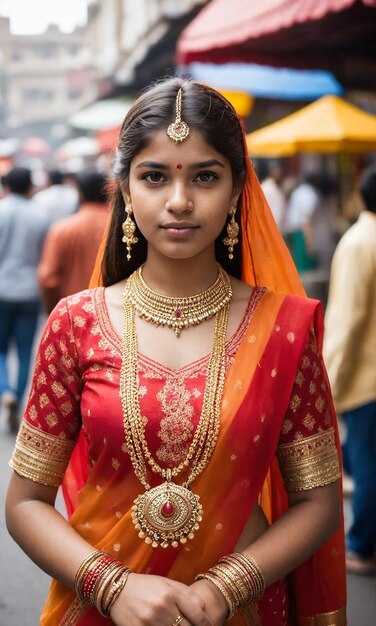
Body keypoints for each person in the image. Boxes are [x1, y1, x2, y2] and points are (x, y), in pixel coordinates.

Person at [5, 78, 346, 626]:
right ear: (124, 187)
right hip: (102, 610)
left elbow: (319, 504)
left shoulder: (285, 328)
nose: (179, 201)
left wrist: (225, 588)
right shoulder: (74, 323)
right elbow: (24, 503)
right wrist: (112, 587)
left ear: (237, 191)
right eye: (155, 176)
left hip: (244, 608)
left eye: (205, 177)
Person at [324, 165, 376, 576]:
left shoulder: (360, 241)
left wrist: (330, 382)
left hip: (366, 377)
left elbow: (348, 319)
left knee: (367, 461)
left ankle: (361, 544)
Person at [0, 167, 49, 432]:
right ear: (30, 185)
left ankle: (4, 389)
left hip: (2, 288)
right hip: (30, 291)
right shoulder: (40, 214)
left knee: (0, 349)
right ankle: (16, 401)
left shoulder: (2, 210)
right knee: (23, 352)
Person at [38, 168, 110, 314]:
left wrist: (54, 311)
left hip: (72, 314)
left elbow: (48, 278)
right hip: (113, 314)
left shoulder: (62, 229)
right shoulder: (122, 228)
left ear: (80, 193)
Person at [284, 173, 321, 272]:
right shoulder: (310, 194)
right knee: (304, 268)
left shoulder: (299, 191)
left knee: (297, 264)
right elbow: (307, 220)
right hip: (301, 233)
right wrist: (310, 242)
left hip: (294, 231)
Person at [259, 159, 286, 230]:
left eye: (279, 170)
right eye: (275, 170)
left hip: (278, 227)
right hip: (269, 227)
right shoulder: (266, 187)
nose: (278, 173)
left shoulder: (277, 187)